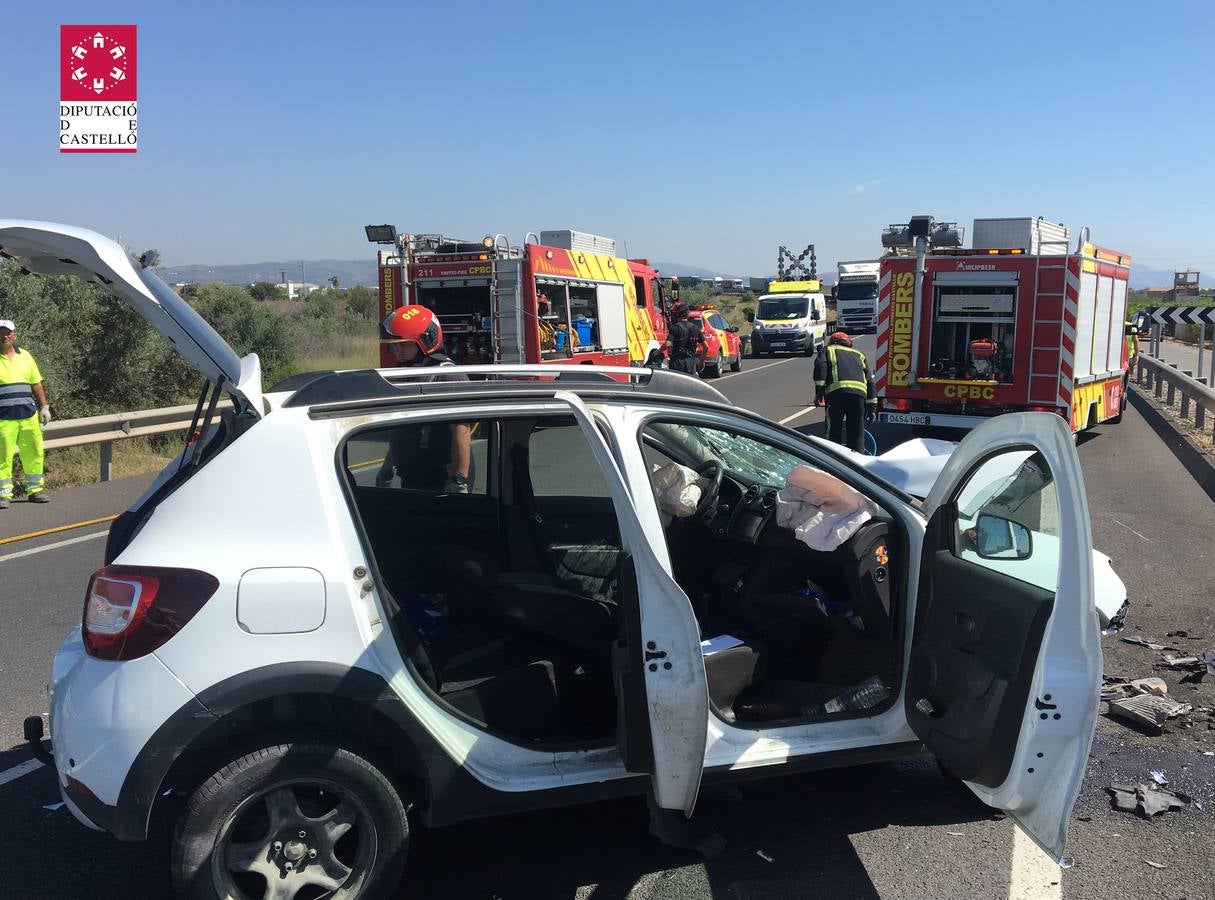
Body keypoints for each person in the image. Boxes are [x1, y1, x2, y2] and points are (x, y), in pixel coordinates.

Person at [375, 306, 473, 493]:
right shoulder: (405, 373)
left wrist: (460, 480)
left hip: (441, 476)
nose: (398, 351)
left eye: (404, 345)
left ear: (426, 340)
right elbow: (403, 426)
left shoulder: (447, 375)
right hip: (412, 474)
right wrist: (388, 462)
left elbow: (461, 429)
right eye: (395, 346)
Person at [0, 319, 51, 508]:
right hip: (3, 418)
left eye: (8, 332)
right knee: (2, 457)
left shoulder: (26, 356)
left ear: (14, 335)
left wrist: (44, 407)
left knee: (34, 453)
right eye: (1, 332)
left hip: (28, 415)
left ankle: (35, 490)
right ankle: (3, 495)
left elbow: (36, 383)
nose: (4, 336)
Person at [814, 331, 876, 453]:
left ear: (832, 342)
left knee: (833, 432)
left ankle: (832, 459)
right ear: (849, 343)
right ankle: (857, 461)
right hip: (859, 397)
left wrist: (819, 392)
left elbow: (821, 366)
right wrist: (871, 407)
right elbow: (870, 381)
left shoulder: (828, 350)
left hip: (837, 394)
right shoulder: (859, 354)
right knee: (857, 434)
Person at [665, 301, 707, 376]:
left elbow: (667, 344)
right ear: (687, 314)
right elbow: (706, 346)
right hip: (690, 363)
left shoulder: (674, 328)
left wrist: (656, 353)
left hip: (676, 363)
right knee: (690, 382)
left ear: (677, 314)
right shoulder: (695, 328)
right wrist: (702, 362)